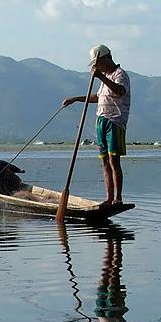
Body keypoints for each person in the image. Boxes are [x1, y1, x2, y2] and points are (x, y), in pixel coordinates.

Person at [62, 44, 131, 205]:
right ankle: (108, 198)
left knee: (114, 160)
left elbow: (120, 91)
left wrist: (101, 76)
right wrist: (76, 99)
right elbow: (98, 97)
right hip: (101, 120)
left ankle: (117, 198)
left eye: (98, 62)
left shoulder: (120, 74)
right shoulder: (105, 77)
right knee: (104, 161)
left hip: (115, 120)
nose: (97, 66)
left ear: (106, 58)